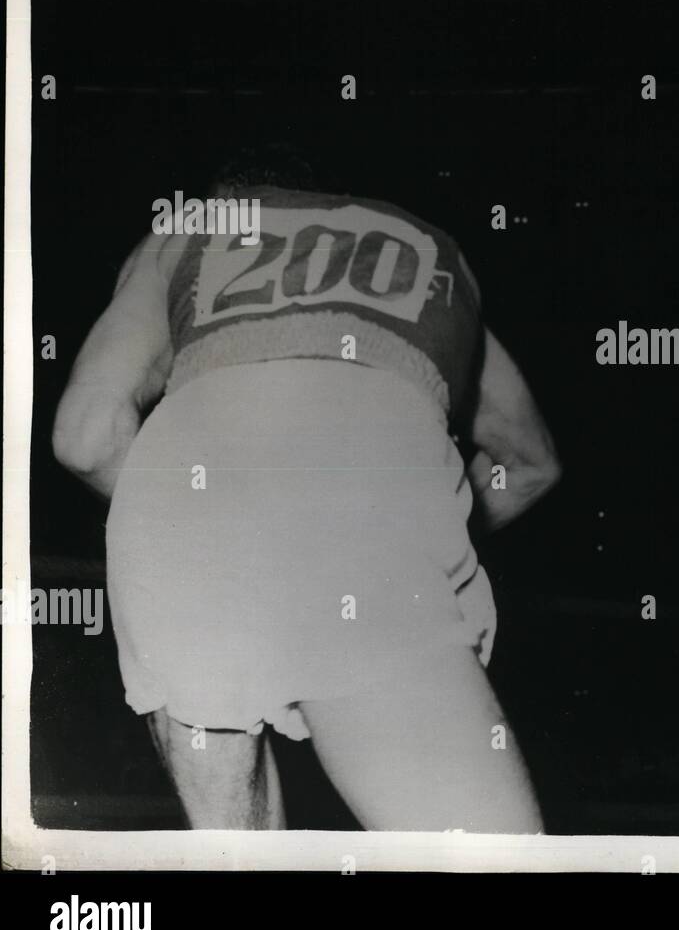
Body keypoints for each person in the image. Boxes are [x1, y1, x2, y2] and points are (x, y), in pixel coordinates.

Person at [53, 149, 561, 831]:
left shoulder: (190, 228)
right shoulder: (429, 248)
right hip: (364, 495)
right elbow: (529, 462)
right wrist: (431, 528)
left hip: (181, 510)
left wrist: (205, 513)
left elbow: (84, 435)